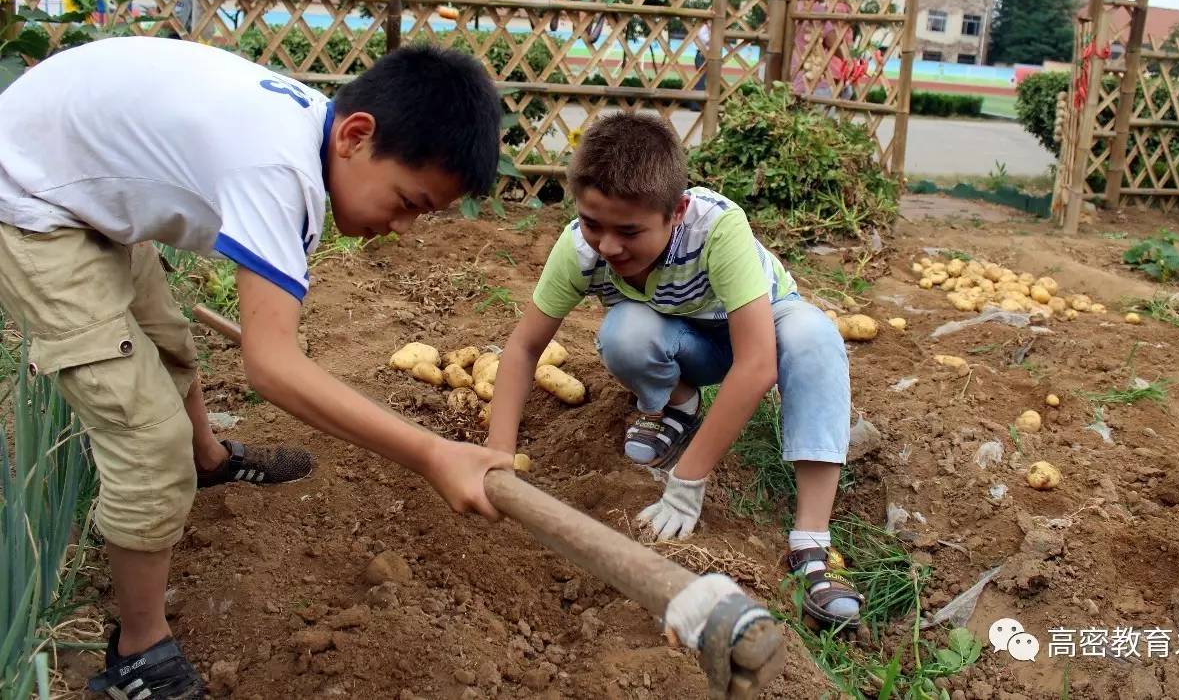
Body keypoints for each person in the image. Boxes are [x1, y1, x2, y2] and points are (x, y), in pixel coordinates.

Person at [0, 37, 513, 698]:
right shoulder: (281, 168)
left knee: (169, 343)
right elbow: (271, 367)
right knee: (148, 440)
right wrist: (431, 452)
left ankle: (208, 459)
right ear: (357, 135)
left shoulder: (305, 129)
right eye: (410, 202)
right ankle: (137, 656)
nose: (404, 228)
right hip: (31, 198)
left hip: (77, 175)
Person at [484, 112, 863, 628]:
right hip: (686, 341)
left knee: (813, 336)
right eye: (593, 224)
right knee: (624, 332)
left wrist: (688, 479)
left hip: (758, 329)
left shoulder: (716, 228)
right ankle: (677, 405)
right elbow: (525, 346)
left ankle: (811, 542)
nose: (608, 245)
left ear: (676, 211)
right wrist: (498, 457)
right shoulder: (579, 248)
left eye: (630, 231)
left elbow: (756, 363)